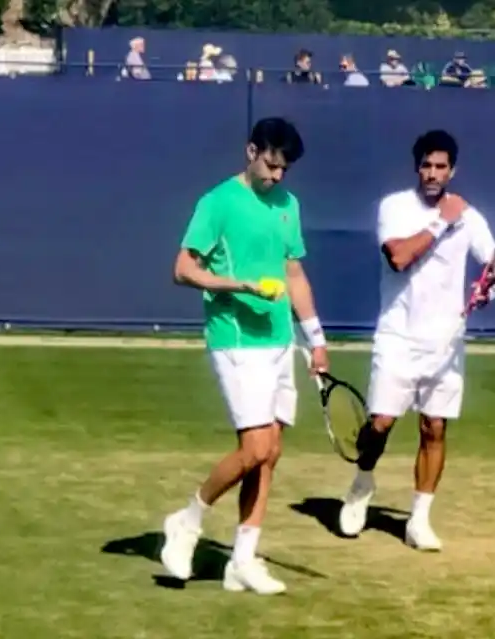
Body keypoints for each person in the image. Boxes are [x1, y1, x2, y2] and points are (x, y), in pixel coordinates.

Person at [160, 117, 331, 594]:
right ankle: (187, 521)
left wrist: (315, 339)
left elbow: (294, 273)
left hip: (280, 342)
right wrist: (239, 285)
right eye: (271, 165)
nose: (277, 177)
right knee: (254, 448)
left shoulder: (288, 205)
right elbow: (182, 269)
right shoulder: (216, 203)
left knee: (269, 454)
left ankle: (242, 560)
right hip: (235, 339)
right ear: (251, 151)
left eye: (284, 170)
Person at [338, 130, 495, 551]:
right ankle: (362, 482)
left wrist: (492, 288)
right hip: (397, 338)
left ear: (452, 170)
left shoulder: (471, 216)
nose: (432, 173)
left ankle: (419, 521)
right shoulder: (396, 207)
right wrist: (442, 221)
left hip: (445, 344)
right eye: (426, 165)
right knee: (380, 426)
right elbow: (399, 257)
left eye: (440, 166)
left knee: (434, 428)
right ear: (417, 167)